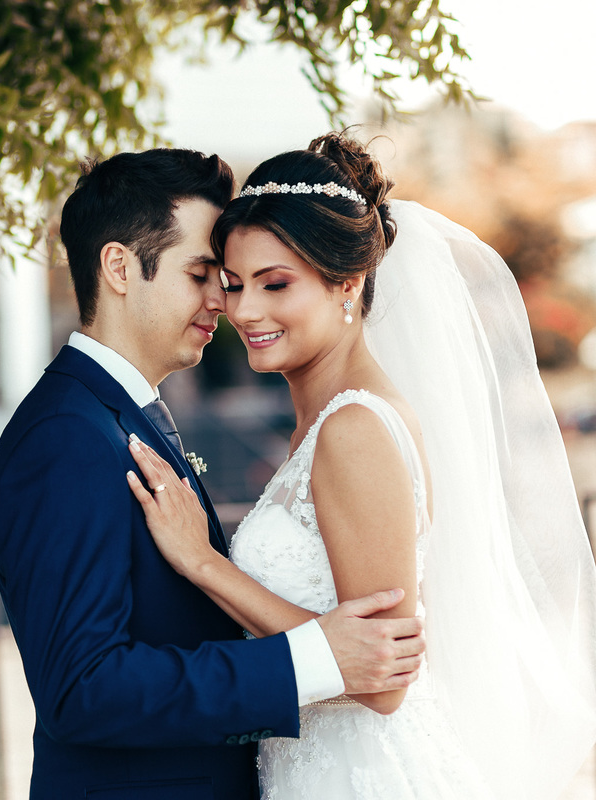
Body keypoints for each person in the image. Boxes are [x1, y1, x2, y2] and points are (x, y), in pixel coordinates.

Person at [127, 133, 596, 799]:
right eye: (233, 285)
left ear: (346, 282)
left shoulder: (353, 429)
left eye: (275, 283)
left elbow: (383, 680)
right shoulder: (328, 422)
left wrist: (204, 564)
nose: (244, 310)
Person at [0, 148, 428, 800]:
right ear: (119, 267)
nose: (228, 302)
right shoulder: (66, 437)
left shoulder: (130, 416)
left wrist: (207, 566)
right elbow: (82, 689)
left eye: (254, 280)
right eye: (205, 274)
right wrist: (316, 659)